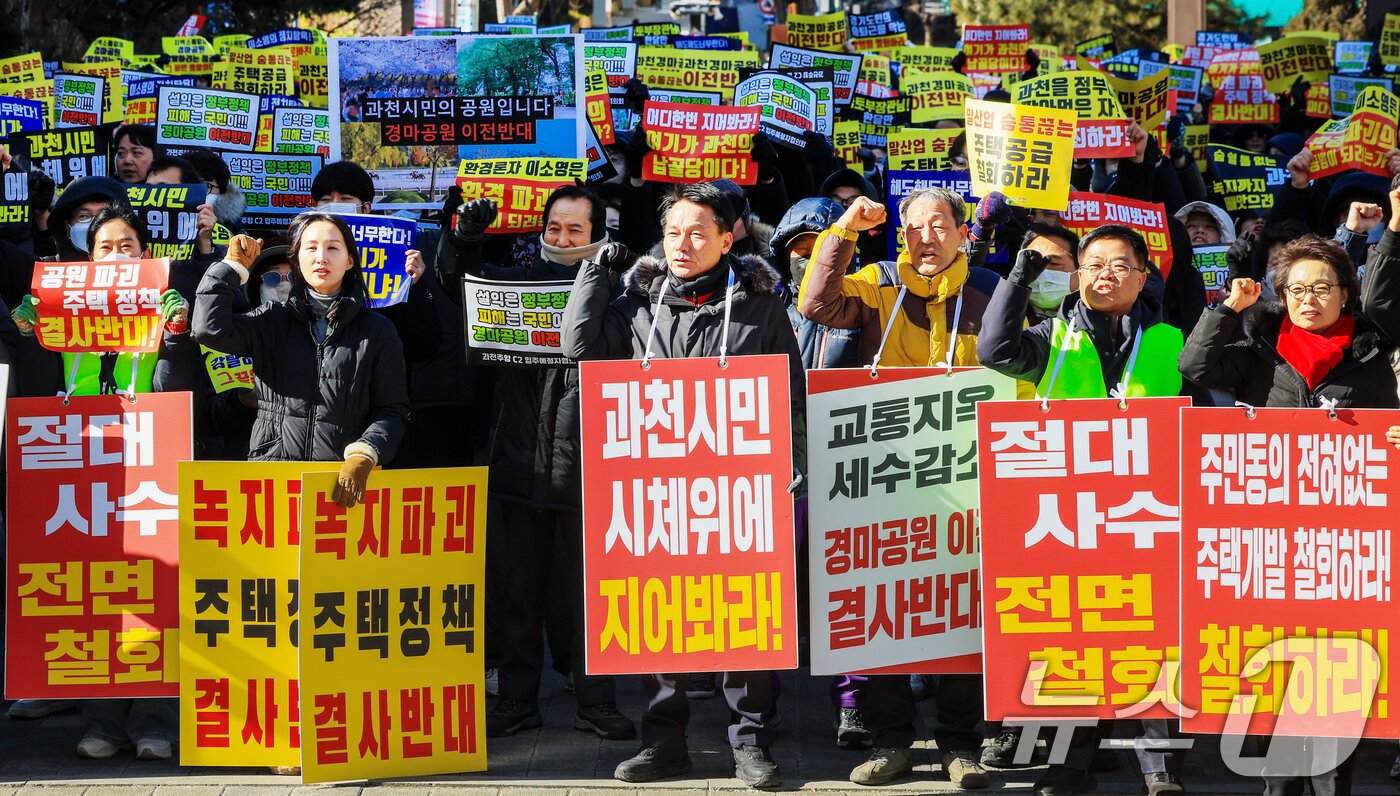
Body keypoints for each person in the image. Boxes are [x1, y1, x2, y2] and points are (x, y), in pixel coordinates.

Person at [562, 182, 805, 790]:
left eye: (699, 232)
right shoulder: (640, 306)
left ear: (728, 238)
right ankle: (663, 743)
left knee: (747, 616)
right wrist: (595, 273)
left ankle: (750, 742)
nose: (683, 244)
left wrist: (794, 464)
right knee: (658, 615)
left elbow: (793, 397)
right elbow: (579, 348)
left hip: (741, 490)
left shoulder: (760, 307)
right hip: (657, 490)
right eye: (673, 232)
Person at [797, 188, 1019, 790]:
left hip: (968, 483)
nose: (926, 237)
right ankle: (890, 742)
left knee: (961, 614)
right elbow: (817, 304)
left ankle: (960, 744)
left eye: (938, 225)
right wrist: (844, 228)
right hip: (884, 480)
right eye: (913, 227)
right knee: (886, 611)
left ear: (961, 231)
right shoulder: (875, 283)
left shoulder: (992, 293)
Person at [1180, 234, 1396, 796]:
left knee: (1338, 677)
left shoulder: (1376, 352)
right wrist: (1227, 308)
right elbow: (1196, 365)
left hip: (1350, 546)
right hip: (1272, 546)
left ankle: (1334, 781)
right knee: (1276, 674)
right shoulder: (1262, 353)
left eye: (1322, 287)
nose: (1309, 298)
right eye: (1296, 289)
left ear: (1346, 294)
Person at [978, 225, 1189, 796]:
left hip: (1148, 515)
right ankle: (1070, 765)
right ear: (1076, 274)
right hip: (1069, 518)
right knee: (1077, 636)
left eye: (1120, 265)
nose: (1105, 274)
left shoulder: (1171, 339)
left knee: (1152, 635)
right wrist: (1021, 272)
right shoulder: (1052, 337)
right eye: (1093, 263)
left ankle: (1159, 767)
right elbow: (994, 349)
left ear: (1142, 278)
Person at [439, 184, 636, 743]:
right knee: (517, 592)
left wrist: (604, 277)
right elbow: (459, 285)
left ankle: (596, 700)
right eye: (555, 228)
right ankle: (519, 698)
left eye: (576, 229)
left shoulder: (621, 292)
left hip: (590, 470)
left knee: (588, 594)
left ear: (599, 233)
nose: (563, 238)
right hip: (517, 461)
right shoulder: (516, 281)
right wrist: (465, 239)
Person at [11, 205, 192, 759]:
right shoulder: (61, 314)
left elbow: (182, 383)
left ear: (146, 254)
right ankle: (103, 719)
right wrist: (30, 329)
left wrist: (178, 332)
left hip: (151, 458)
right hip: (80, 462)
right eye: (106, 247)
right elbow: (38, 387)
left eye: (129, 246)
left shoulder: (165, 306)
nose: (118, 256)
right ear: (88, 259)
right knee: (99, 592)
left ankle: (156, 720)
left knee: (157, 592)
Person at [191, 213, 410, 490]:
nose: (321, 257)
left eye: (333, 248)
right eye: (311, 247)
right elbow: (208, 329)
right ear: (297, 260)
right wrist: (231, 267)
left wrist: (366, 452)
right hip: (271, 477)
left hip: (339, 482)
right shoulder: (270, 320)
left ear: (350, 260)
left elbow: (391, 410)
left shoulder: (378, 330)